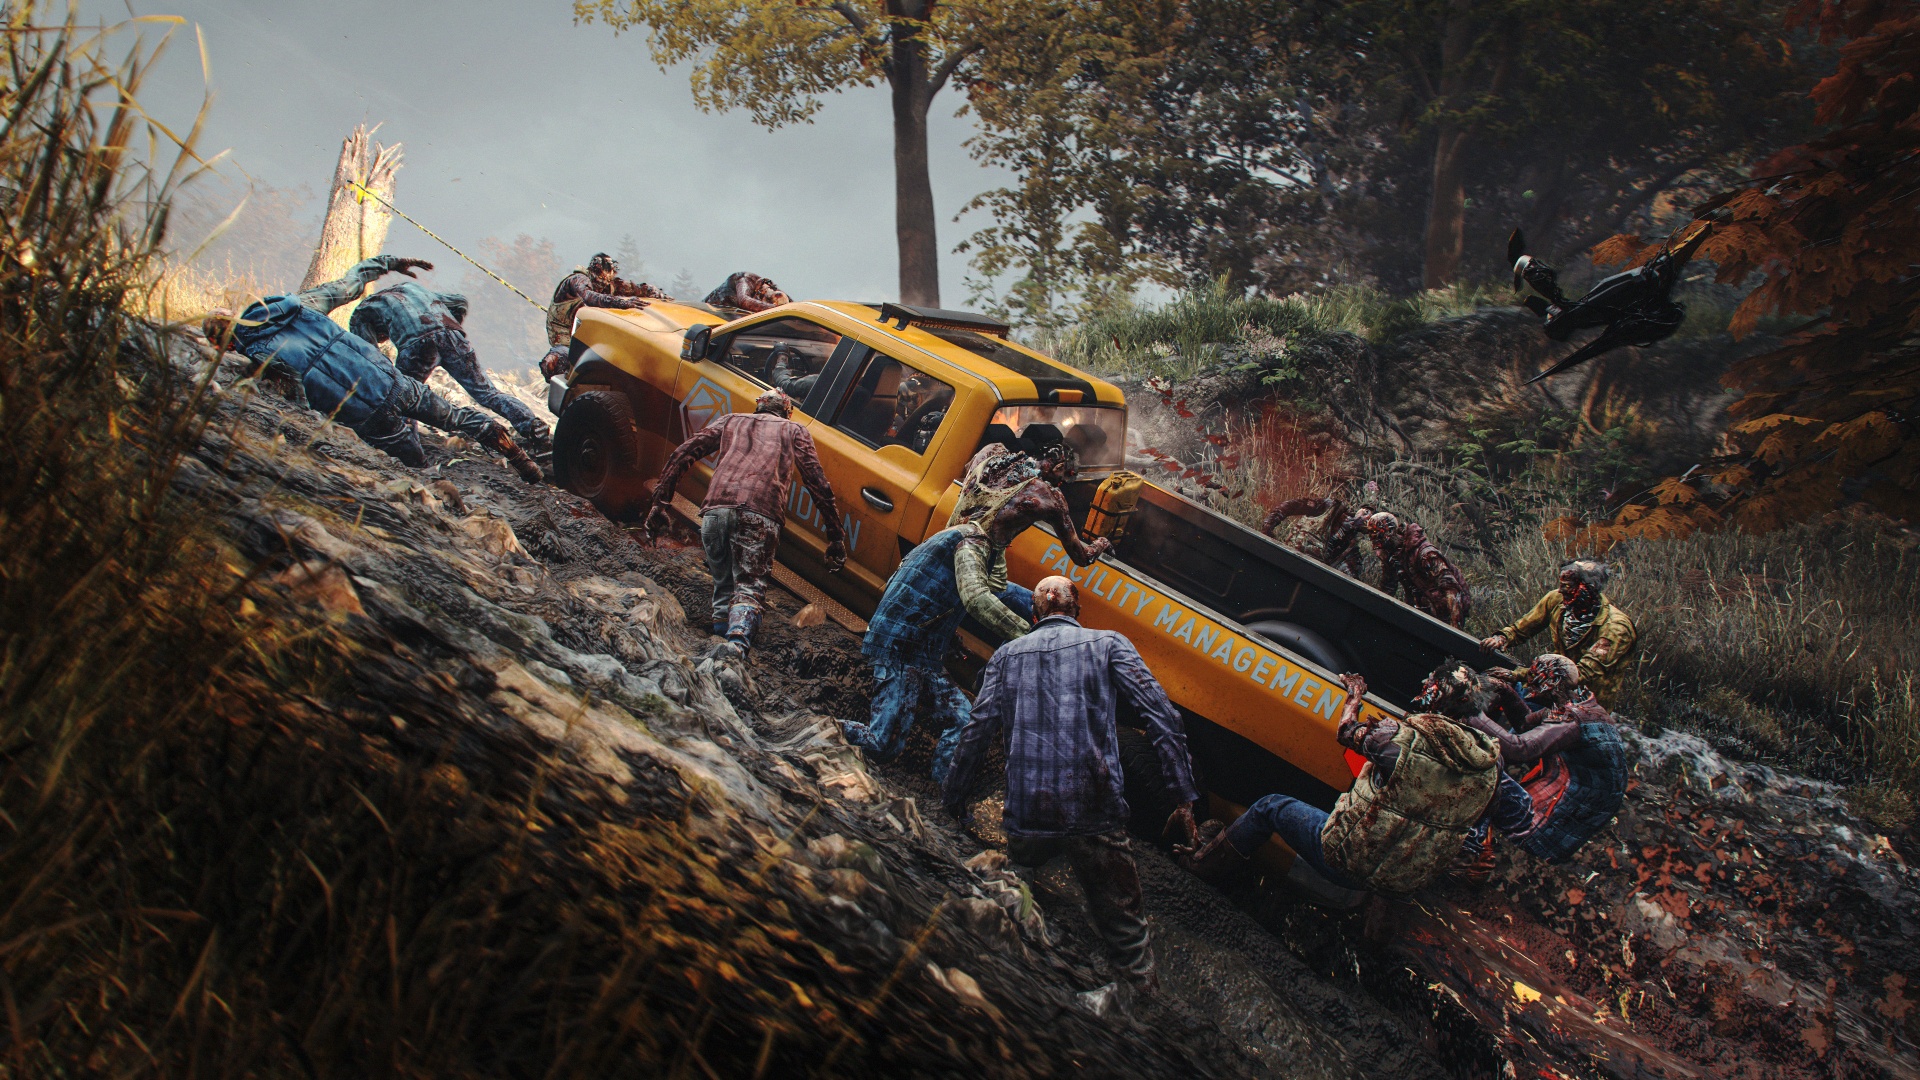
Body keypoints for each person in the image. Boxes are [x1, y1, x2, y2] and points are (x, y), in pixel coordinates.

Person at [942, 576, 1200, 990]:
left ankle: (1001, 984)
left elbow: (977, 731)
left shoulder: (1007, 656)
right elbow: (1164, 719)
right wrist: (1183, 798)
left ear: (1033, 614)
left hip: (1028, 811)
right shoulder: (1109, 644)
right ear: (1077, 611)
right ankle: (1141, 1005)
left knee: (1013, 902)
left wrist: (953, 797)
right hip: (1093, 811)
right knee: (1129, 939)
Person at [842, 443, 1112, 778]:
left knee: (961, 722)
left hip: (925, 647)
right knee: (884, 744)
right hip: (902, 645)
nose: (1063, 482)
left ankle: (945, 795)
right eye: (1065, 475)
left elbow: (976, 593)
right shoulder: (1004, 524)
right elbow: (978, 599)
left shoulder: (990, 457)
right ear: (1058, 464)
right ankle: (820, 732)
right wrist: (1031, 637)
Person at [201, 259, 543, 483]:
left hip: (363, 413)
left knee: (416, 467)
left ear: (221, 345)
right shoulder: (295, 306)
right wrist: (389, 262)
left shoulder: (255, 356)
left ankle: (442, 491)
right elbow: (347, 285)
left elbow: (294, 397)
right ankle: (519, 455)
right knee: (458, 415)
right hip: (391, 379)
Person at [1182, 662, 1501, 897]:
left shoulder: (1402, 741)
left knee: (1271, 806)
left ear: (1436, 694)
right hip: (1405, 881)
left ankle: (1201, 866)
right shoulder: (1490, 767)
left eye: (1429, 682)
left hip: (1349, 860)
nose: (1423, 683)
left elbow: (1346, 732)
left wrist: (1354, 696)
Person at [645, 388, 847, 656]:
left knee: (723, 585)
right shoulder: (794, 430)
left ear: (758, 407)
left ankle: (718, 645)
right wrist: (835, 536)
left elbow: (684, 453)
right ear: (787, 412)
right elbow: (817, 483)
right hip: (760, 515)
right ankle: (735, 651)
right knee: (749, 587)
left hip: (715, 512)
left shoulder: (730, 420)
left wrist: (660, 502)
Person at [349, 276, 551, 449]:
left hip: (416, 344)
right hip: (453, 336)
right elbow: (459, 301)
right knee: (487, 392)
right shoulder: (412, 288)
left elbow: (372, 360)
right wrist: (451, 326)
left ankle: (407, 447)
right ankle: (533, 427)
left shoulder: (361, 312)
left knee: (405, 397)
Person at [1467, 655, 1629, 863]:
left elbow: (1519, 750)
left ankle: (1473, 849)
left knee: (1486, 768)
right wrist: (1507, 693)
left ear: (1552, 683)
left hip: (1547, 825)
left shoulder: (1574, 718)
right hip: (1562, 812)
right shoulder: (1582, 705)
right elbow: (1526, 725)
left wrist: (1468, 710)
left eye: (1535, 680)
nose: (1529, 686)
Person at [1480, 559, 1637, 706]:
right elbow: (1522, 629)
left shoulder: (1616, 628)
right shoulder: (1557, 600)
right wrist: (1502, 638)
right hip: (1548, 691)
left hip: (1584, 706)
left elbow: (1580, 674)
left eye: (1567, 586)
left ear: (1589, 589)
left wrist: (1517, 675)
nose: (1560, 590)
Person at [537, 253, 666, 379]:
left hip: (588, 337)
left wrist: (654, 292)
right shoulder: (577, 280)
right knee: (558, 360)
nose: (605, 281)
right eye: (605, 273)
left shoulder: (608, 286)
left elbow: (633, 289)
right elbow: (590, 297)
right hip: (563, 337)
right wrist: (621, 303)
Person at [1365, 511, 1472, 627]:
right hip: (1421, 613)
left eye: (1376, 533)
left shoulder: (1426, 554)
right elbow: (1388, 587)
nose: (1373, 539)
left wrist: (1455, 627)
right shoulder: (1394, 555)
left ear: (1389, 531)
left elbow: (1451, 589)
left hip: (1443, 614)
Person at [1262, 495, 1373, 575]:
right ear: (1360, 509)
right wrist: (1268, 526)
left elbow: (1347, 580)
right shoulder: (1329, 507)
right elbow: (1292, 505)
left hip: (1305, 575)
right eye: (1366, 512)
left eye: (1370, 520)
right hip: (1284, 558)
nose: (1366, 517)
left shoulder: (1351, 551)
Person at [704, 271, 790, 314]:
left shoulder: (774, 292)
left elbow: (792, 307)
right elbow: (744, 300)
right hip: (705, 312)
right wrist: (776, 310)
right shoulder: (745, 279)